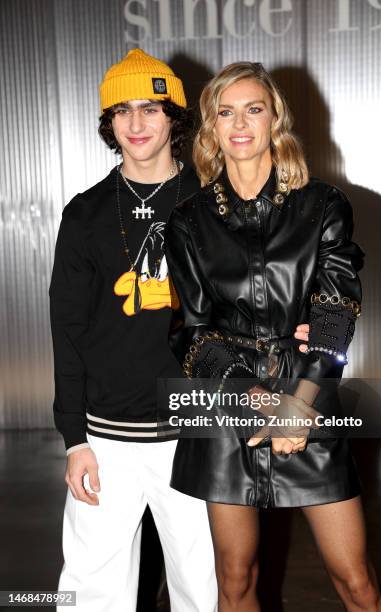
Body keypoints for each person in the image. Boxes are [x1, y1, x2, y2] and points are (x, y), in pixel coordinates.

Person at [165, 62, 381, 611]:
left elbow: (336, 311)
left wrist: (301, 403)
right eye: (225, 112)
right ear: (212, 128)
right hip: (229, 405)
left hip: (307, 399)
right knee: (235, 581)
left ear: (275, 120)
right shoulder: (187, 222)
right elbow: (190, 332)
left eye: (253, 109)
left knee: (356, 582)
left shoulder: (323, 205)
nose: (240, 123)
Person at [49, 48, 217, 612]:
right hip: (107, 437)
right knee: (89, 589)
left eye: (150, 107)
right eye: (122, 111)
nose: (136, 123)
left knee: (205, 583)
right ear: (109, 122)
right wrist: (74, 439)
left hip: (195, 432)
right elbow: (67, 328)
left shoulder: (212, 204)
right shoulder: (85, 214)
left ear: (174, 117)